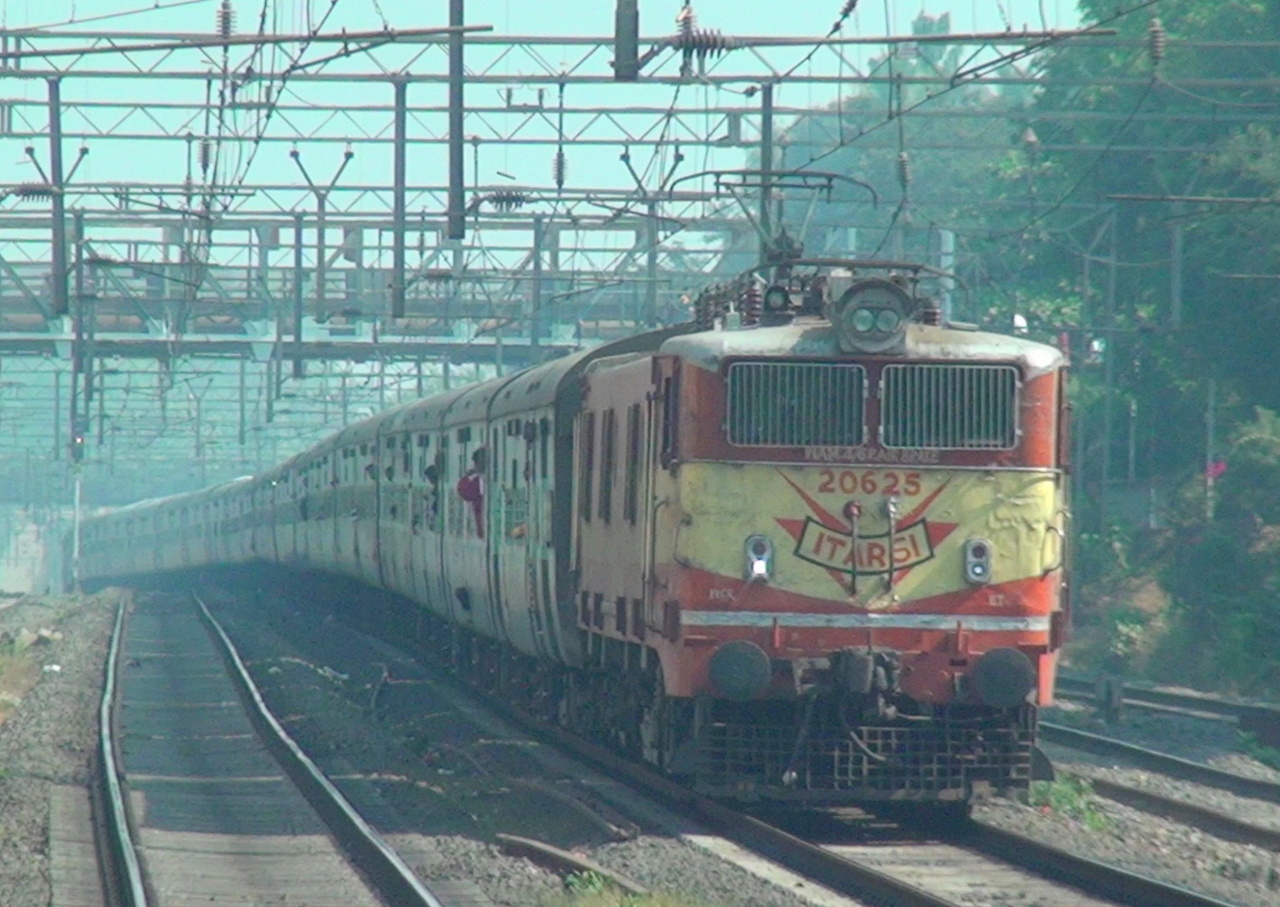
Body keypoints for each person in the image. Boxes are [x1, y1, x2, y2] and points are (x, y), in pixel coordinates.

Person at [455, 446, 486, 538]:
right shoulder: (472, 479)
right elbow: (464, 492)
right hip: (479, 521)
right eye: (480, 462)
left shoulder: (491, 479)